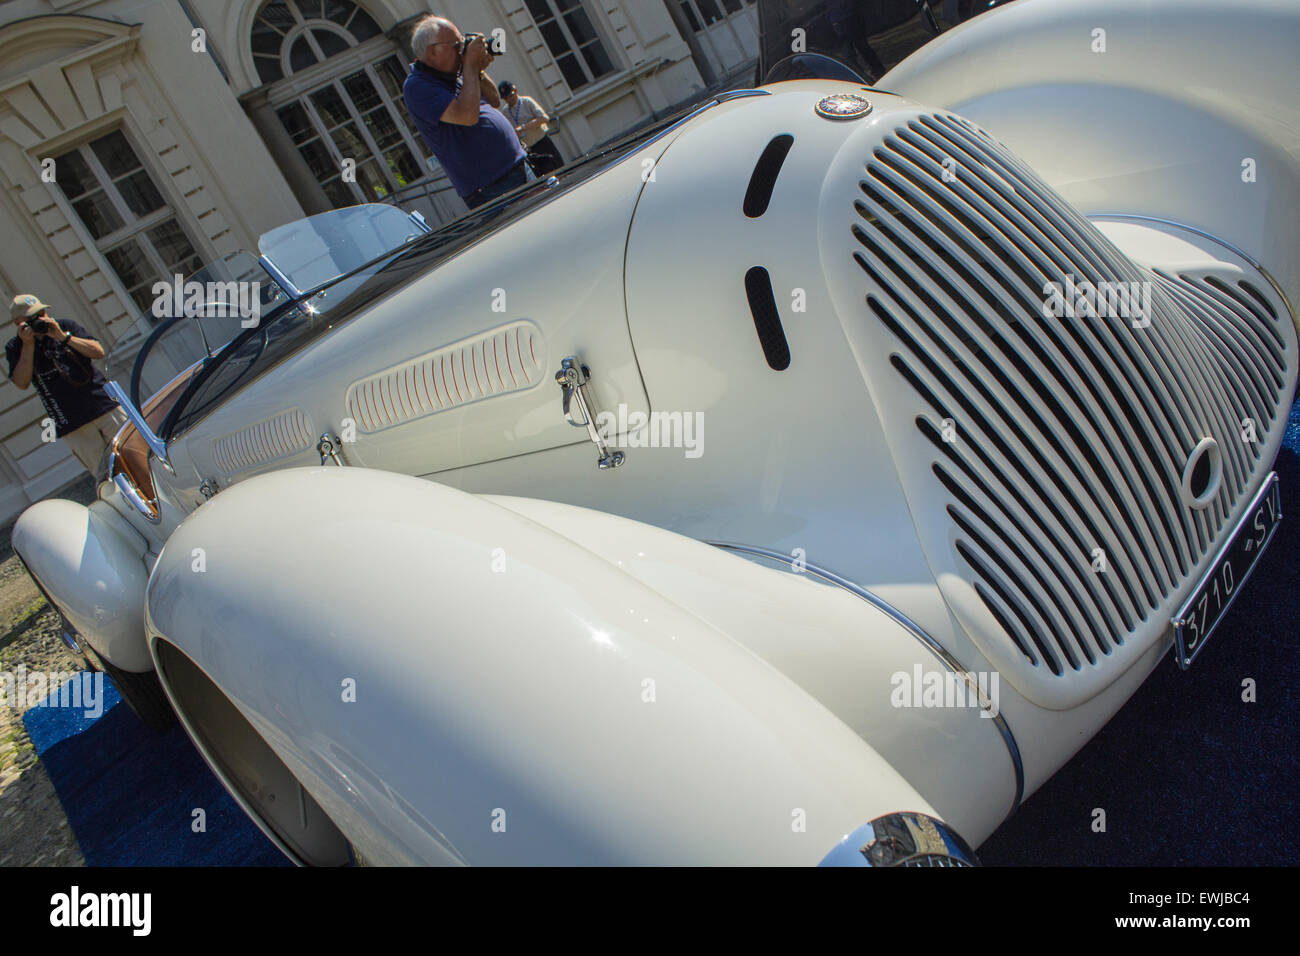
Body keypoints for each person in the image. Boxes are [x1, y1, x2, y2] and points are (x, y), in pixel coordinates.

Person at [403, 15, 529, 209]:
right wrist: (469, 63)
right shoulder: (417, 86)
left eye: (462, 43)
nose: (461, 50)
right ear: (432, 52)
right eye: (456, 45)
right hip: (492, 185)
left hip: (516, 165)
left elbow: (494, 100)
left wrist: (477, 70)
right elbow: (467, 116)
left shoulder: (456, 73)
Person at [6, 294, 125, 477]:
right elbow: (21, 382)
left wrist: (63, 337)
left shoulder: (65, 326)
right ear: (18, 323)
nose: (40, 320)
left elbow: (98, 351)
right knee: (106, 475)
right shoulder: (15, 347)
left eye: (42, 313)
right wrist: (28, 346)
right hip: (72, 422)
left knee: (136, 452)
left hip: (104, 405)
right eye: (32, 318)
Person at [497, 81, 564, 176]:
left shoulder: (526, 102)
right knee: (542, 177)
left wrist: (524, 127)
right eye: (506, 98)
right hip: (529, 150)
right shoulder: (505, 112)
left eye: (510, 96)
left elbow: (544, 118)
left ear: (515, 91)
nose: (509, 99)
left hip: (543, 142)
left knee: (559, 170)